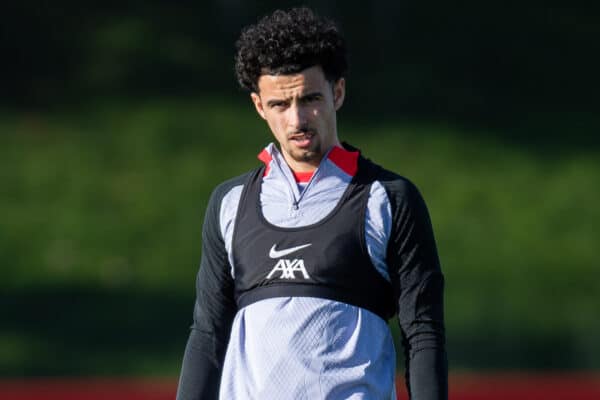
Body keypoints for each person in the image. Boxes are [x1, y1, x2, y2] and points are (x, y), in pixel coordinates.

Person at [176, 7, 447, 400]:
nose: (297, 119)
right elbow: (207, 336)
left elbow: (423, 334)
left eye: (310, 99)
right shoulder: (229, 203)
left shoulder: (388, 199)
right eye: (280, 105)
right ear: (258, 106)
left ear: (337, 92)